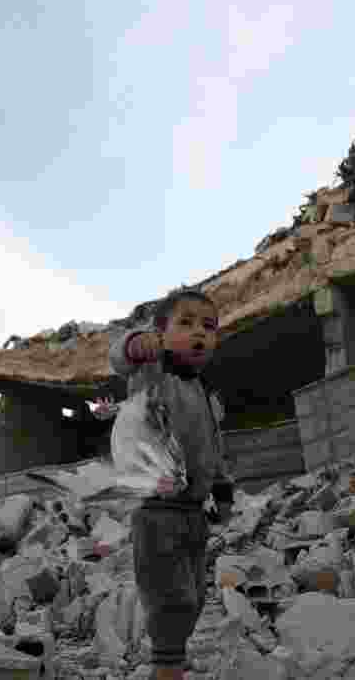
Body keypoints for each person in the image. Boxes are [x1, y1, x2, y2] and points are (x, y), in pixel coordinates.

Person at [109, 288, 235, 680]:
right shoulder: (153, 372)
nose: (199, 332)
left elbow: (213, 449)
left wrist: (222, 490)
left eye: (208, 326)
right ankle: (166, 668)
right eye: (186, 322)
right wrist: (135, 344)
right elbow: (118, 358)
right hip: (157, 513)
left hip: (194, 514)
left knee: (195, 596)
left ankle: (171, 656)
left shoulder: (202, 393)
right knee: (170, 598)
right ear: (160, 333)